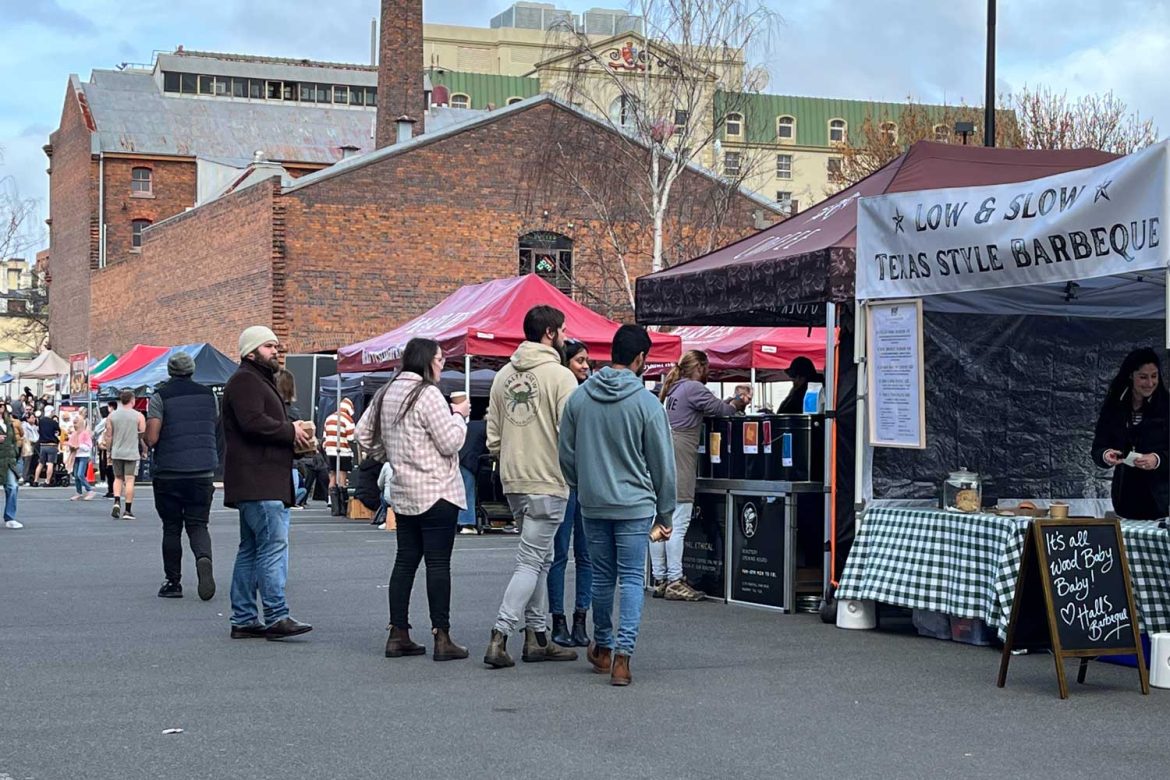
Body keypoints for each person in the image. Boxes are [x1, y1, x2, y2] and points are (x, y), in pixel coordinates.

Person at [558, 325, 676, 686]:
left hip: (593, 503)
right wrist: (665, 511)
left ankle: (603, 645)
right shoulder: (646, 404)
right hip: (635, 505)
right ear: (640, 359)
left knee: (601, 576)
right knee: (630, 579)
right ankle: (623, 657)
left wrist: (582, 484)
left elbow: (566, 454)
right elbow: (662, 463)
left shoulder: (579, 399)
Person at [356, 337, 470, 661]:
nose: (442, 365)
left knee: (405, 561)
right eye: (440, 360)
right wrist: (459, 415)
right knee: (437, 563)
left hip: (404, 490)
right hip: (437, 490)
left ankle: (398, 632)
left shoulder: (386, 392)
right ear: (427, 362)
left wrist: (389, 454)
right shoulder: (428, 393)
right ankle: (442, 636)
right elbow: (449, 443)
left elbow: (362, 435)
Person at [483, 305, 580, 669]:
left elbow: (493, 434)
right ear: (551, 333)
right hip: (548, 478)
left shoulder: (502, 376)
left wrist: (506, 457)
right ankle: (500, 633)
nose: (566, 337)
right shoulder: (560, 376)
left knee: (541, 558)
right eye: (564, 331)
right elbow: (570, 434)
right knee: (530, 560)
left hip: (514, 477)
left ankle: (537, 636)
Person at [223, 326, 314, 640]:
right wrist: (291, 430)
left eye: (276, 345)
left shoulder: (253, 379)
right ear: (251, 352)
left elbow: (256, 423)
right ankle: (276, 615)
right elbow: (253, 423)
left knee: (250, 549)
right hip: (261, 480)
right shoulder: (247, 380)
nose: (276, 351)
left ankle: (245, 617)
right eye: (269, 346)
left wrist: (290, 429)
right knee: (271, 547)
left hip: (255, 480)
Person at [654, 350, 747, 601]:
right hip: (682, 455)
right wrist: (737, 402)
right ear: (700, 367)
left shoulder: (674, 388)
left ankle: (660, 578)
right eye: (707, 368)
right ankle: (675, 579)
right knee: (678, 521)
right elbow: (721, 410)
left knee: (661, 522)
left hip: (666, 453)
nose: (709, 373)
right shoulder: (694, 388)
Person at [144, 352, 219, 600]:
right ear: (192, 370)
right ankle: (203, 558)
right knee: (198, 524)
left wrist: (144, 438)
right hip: (203, 470)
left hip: (170, 472)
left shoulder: (160, 396)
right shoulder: (209, 396)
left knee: (172, 528)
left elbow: (152, 437)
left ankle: (173, 582)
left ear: (170, 371)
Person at [547, 338, 594, 647]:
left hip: (587, 481)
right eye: (579, 360)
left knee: (586, 554)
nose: (586, 366)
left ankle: (580, 618)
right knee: (560, 553)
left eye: (587, 360)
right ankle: (558, 620)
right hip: (563, 480)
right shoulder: (561, 393)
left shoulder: (590, 395)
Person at [1091, 348, 1170, 520]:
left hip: (1162, 503)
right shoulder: (1114, 407)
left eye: (1154, 376)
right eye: (1143, 377)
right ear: (1131, 376)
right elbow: (1098, 448)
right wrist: (1106, 455)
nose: (1150, 383)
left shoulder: (1167, 407)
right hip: (1125, 502)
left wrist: (1157, 459)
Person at [106, 389, 146, 520]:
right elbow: (142, 434)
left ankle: (116, 501)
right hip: (131, 452)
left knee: (118, 478)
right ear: (132, 400)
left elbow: (109, 436)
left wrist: (108, 451)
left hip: (117, 451)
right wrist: (144, 450)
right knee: (129, 480)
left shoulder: (112, 416)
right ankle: (127, 510)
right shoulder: (138, 416)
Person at [457, 415, 487, 534]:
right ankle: (467, 524)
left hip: (458, 458)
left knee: (458, 492)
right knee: (468, 492)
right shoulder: (487, 428)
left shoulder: (471, 424)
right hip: (469, 461)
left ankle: (458, 522)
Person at [323, 397, 356, 496]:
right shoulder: (348, 419)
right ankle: (341, 501)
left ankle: (331, 500)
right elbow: (351, 438)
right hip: (343, 452)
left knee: (332, 476)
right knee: (342, 476)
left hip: (329, 451)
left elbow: (325, 436)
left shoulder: (329, 418)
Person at [0, 405, 23, 528]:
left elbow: (15, 440)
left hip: (8, 460)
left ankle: (10, 517)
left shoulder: (9, 423)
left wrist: (15, 453)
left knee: (13, 487)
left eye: (2, 406)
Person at [68, 411, 98, 501]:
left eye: (76, 423)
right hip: (76, 455)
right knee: (76, 475)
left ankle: (89, 490)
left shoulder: (85, 433)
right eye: (74, 423)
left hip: (83, 455)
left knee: (80, 474)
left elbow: (89, 446)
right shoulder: (74, 433)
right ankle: (79, 492)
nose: (75, 425)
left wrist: (79, 446)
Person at [33, 409, 59, 487]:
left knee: (41, 463)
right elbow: (58, 431)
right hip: (52, 445)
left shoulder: (41, 421)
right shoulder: (54, 422)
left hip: (42, 445)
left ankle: (35, 480)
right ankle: (47, 481)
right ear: (51, 412)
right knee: (50, 463)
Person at [20, 411, 37, 484]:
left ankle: (28, 476)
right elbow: (25, 436)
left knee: (31, 463)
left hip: (35, 445)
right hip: (27, 445)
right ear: (27, 419)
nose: (34, 419)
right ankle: (23, 477)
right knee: (26, 462)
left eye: (34, 418)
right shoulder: (25, 425)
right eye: (32, 417)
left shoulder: (35, 427)